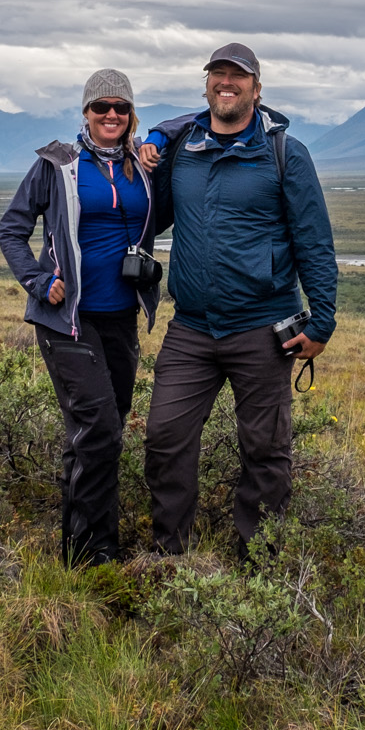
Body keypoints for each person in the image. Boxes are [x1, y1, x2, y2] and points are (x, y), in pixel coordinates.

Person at [138, 42, 336, 556]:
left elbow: (313, 239)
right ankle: (169, 556)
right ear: (206, 84)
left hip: (263, 327)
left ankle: (258, 567)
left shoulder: (284, 153)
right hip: (192, 328)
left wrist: (322, 321)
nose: (226, 84)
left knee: (266, 452)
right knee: (164, 437)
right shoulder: (183, 148)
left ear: (257, 87)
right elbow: (149, 218)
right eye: (217, 75)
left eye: (238, 77)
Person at [0, 68, 160, 566]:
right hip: (66, 319)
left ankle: (82, 550)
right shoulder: (57, 164)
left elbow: (194, 120)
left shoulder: (144, 163)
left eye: (122, 108)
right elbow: (11, 228)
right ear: (85, 113)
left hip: (120, 317)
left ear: (132, 116)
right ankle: (96, 555)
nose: (111, 115)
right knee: (102, 429)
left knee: (94, 436)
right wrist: (40, 282)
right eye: (101, 107)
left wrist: (158, 137)